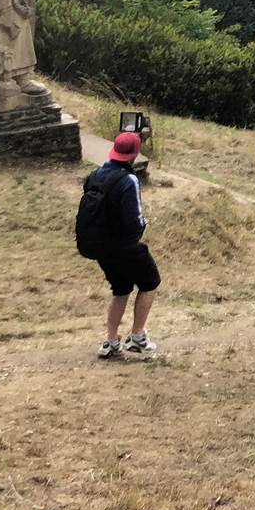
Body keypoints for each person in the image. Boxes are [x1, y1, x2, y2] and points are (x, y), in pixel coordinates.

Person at [89, 132, 161, 359]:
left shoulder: (96, 174)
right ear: (134, 154)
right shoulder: (128, 180)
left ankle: (110, 341)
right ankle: (138, 336)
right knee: (150, 282)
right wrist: (143, 225)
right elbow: (134, 219)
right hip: (124, 245)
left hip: (101, 246)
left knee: (121, 289)